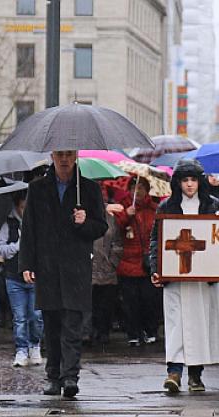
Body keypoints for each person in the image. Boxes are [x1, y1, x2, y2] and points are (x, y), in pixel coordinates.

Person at [19, 150, 107, 398]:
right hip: (47, 266)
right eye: (60, 154)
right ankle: (53, 376)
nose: (64, 159)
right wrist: (27, 263)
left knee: (72, 324)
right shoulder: (37, 189)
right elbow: (29, 229)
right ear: (52, 156)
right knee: (52, 324)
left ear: (75, 156)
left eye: (69, 154)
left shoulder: (88, 189)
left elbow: (100, 226)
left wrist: (84, 222)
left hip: (75, 266)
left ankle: (70, 376)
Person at [150, 159, 219, 393]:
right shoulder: (166, 207)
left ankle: (195, 374)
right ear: (177, 182)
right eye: (185, 180)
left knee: (200, 325)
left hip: (202, 279)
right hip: (175, 277)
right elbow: (156, 241)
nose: (189, 185)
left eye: (193, 180)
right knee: (175, 324)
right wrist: (155, 269)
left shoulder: (212, 206)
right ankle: (174, 371)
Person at [0, 193, 43, 367]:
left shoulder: (39, 224)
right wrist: (17, 245)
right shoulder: (9, 224)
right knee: (20, 317)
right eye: (23, 207)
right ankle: (21, 349)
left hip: (36, 277)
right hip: (14, 277)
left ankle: (35, 344)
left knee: (36, 315)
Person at [114, 176, 159, 347]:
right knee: (130, 302)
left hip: (148, 263)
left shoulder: (154, 209)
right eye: (134, 188)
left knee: (149, 300)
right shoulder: (123, 207)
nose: (137, 191)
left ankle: (150, 330)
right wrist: (126, 215)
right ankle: (133, 333)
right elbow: (115, 228)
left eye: (141, 188)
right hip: (128, 263)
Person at [89, 207, 123, 349]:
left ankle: (104, 331)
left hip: (107, 268)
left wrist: (112, 261)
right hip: (89, 267)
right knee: (90, 302)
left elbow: (117, 242)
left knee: (106, 303)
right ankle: (90, 331)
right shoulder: (85, 217)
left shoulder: (111, 219)